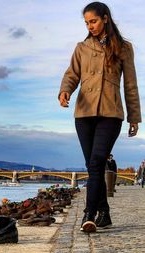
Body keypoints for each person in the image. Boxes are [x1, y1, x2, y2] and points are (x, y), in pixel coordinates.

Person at [58, 2, 141, 233]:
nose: (90, 26)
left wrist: (134, 116)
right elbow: (72, 74)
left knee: (96, 163)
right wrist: (65, 91)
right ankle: (104, 212)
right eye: (86, 23)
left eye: (93, 21)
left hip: (111, 113)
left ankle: (89, 214)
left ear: (105, 19)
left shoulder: (124, 48)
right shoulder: (81, 48)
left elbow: (131, 85)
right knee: (93, 166)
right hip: (84, 113)